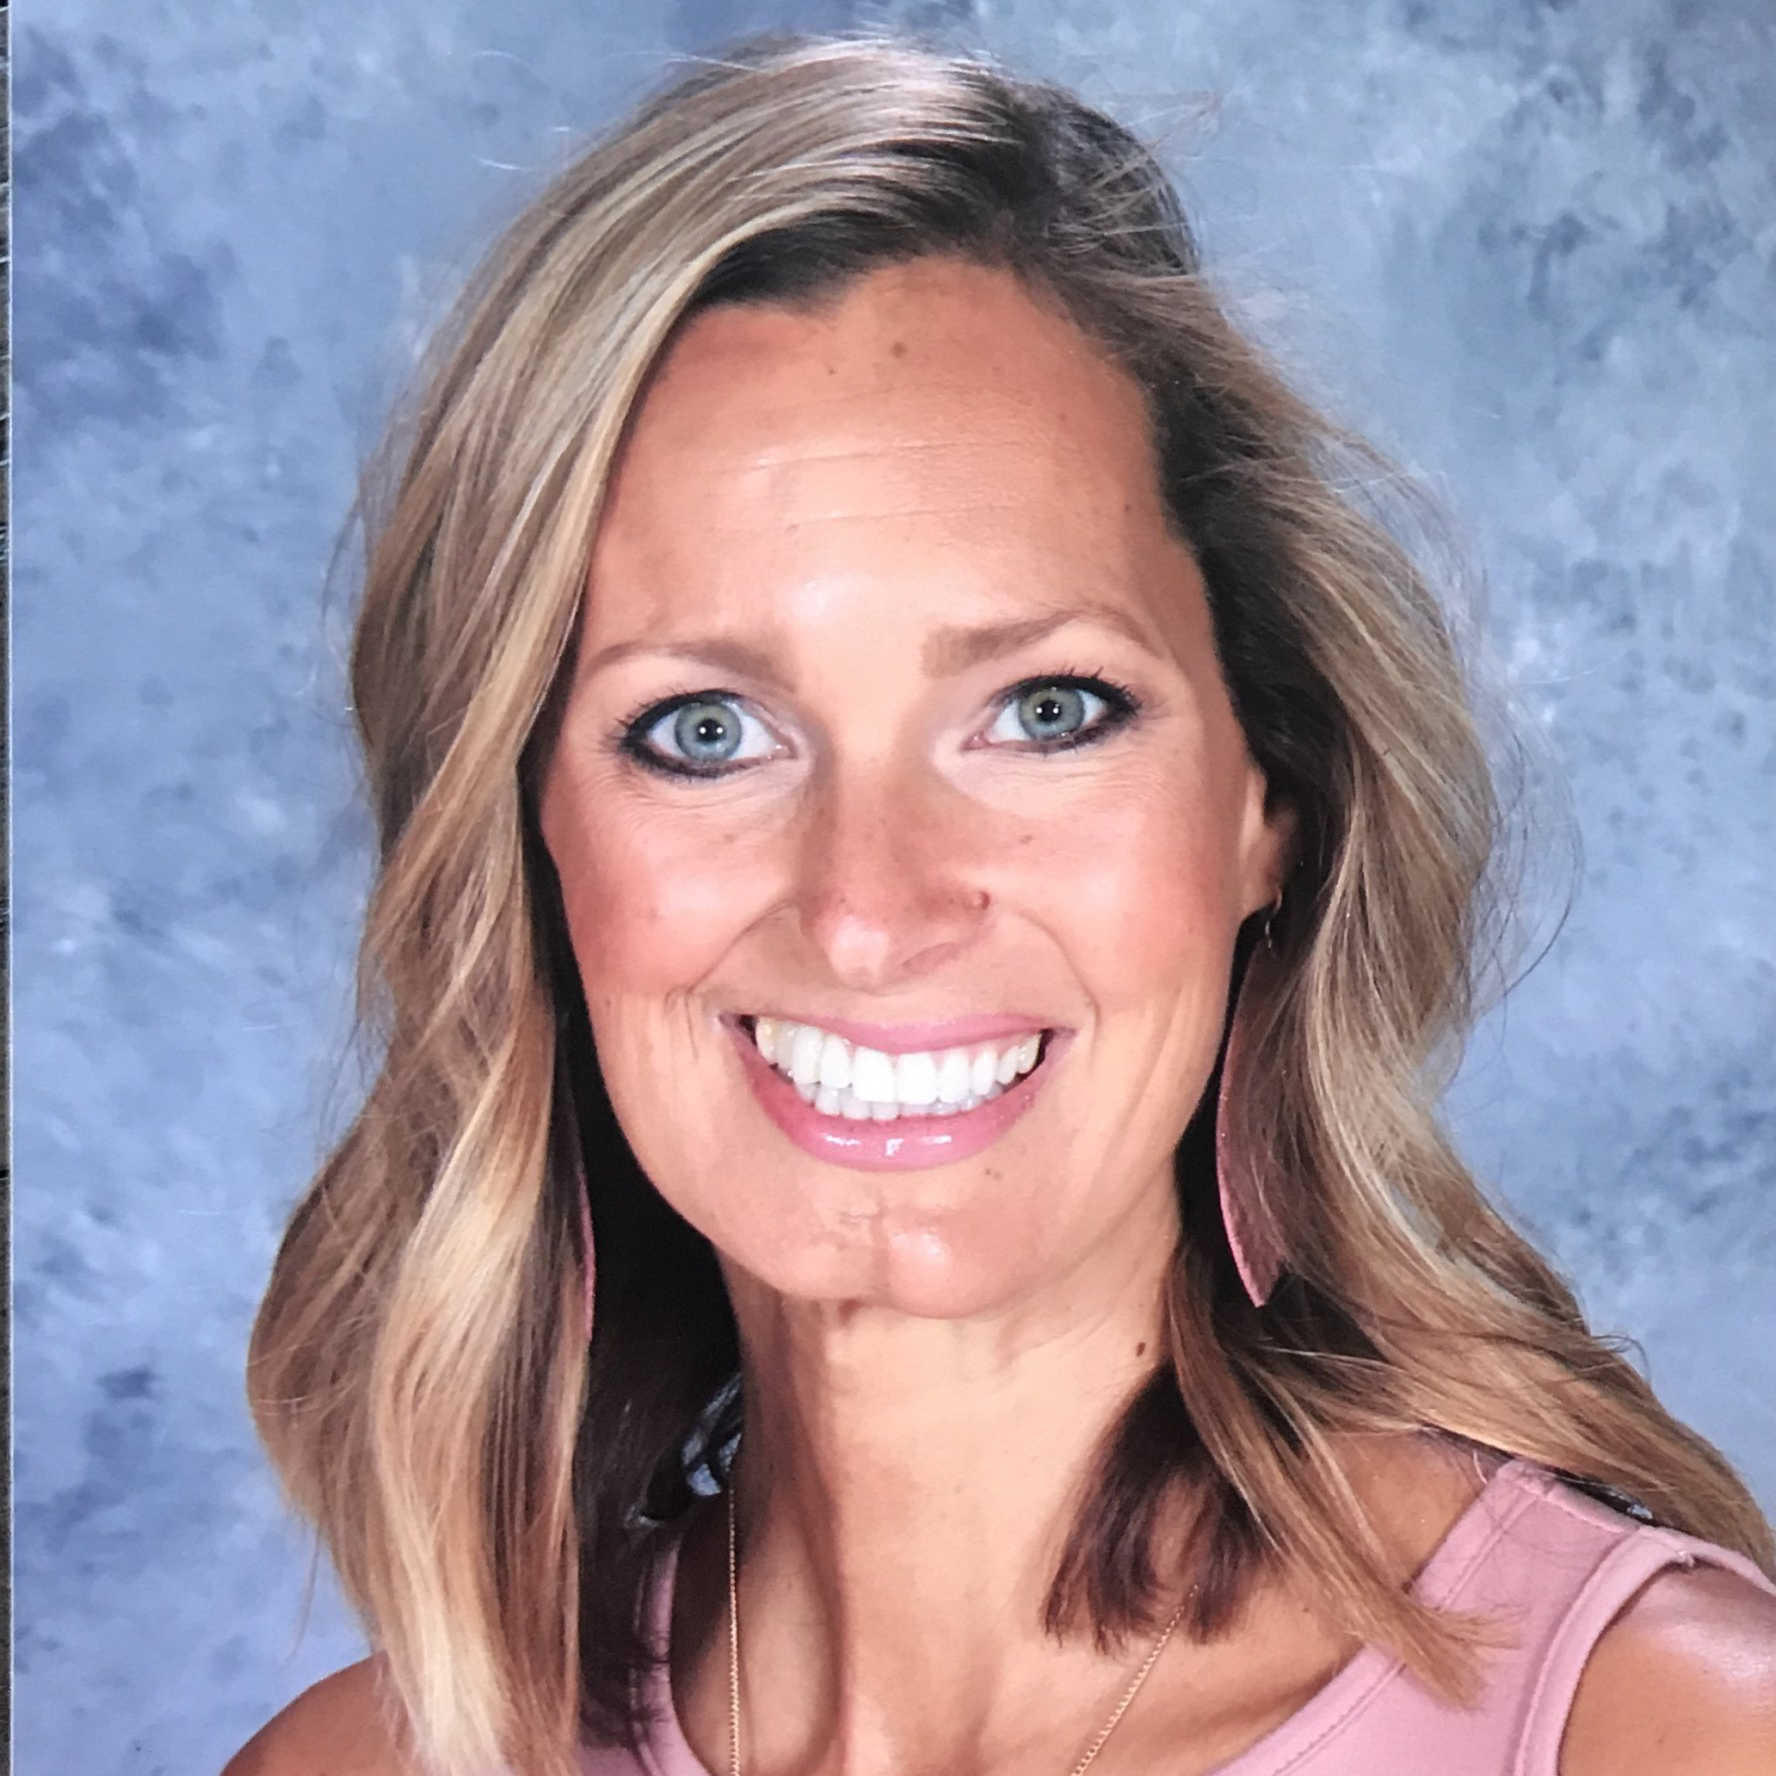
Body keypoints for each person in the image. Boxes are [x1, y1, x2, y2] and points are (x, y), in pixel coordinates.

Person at [225, 32, 1776, 1776]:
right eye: (704, 732)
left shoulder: (1676, 1732)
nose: (870, 909)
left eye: (1046, 711)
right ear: (527, 847)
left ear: (1267, 802)